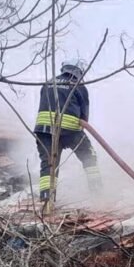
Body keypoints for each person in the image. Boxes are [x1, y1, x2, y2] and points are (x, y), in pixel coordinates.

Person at [34, 61, 101, 204]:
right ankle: (98, 194)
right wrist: (81, 126)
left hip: (44, 132)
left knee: (49, 164)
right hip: (70, 131)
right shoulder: (77, 85)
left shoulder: (48, 83)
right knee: (89, 157)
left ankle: (47, 201)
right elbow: (84, 114)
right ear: (78, 73)